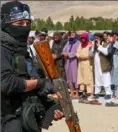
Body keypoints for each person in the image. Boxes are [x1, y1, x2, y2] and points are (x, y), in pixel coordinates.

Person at [1, 1, 63, 132]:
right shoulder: (3, 49)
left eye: (27, 23)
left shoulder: (23, 49)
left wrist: (49, 106)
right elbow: (6, 83)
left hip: (27, 120)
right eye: (19, 23)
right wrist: (40, 83)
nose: (25, 27)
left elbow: (29, 80)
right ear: (6, 24)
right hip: (7, 120)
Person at [89, 33, 113, 100]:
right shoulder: (94, 46)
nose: (96, 40)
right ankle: (97, 93)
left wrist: (99, 46)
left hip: (104, 65)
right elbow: (90, 55)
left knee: (106, 79)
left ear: (101, 38)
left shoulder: (105, 44)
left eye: (97, 38)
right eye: (95, 38)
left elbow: (106, 52)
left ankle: (108, 93)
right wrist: (91, 47)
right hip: (96, 66)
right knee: (97, 80)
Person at [76, 32, 94, 97]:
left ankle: (90, 92)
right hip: (81, 63)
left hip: (87, 63)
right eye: (82, 38)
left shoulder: (90, 45)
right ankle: (84, 92)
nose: (83, 39)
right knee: (82, 77)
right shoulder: (80, 45)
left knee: (88, 78)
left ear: (86, 38)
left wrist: (86, 57)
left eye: (84, 38)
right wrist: (79, 56)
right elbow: (77, 53)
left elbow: (92, 54)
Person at [63, 31, 80, 98]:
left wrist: (69, 54)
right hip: (67, 62)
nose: (71, 35)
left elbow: (77, 52)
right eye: (70, 34)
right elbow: (64, 50)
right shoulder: (68, 42)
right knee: (69, 77)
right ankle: (72, 92)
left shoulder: (78, 43)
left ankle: (77, 92)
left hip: (74, 62)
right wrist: (64, 53)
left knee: (75, 77)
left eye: (73, 34)